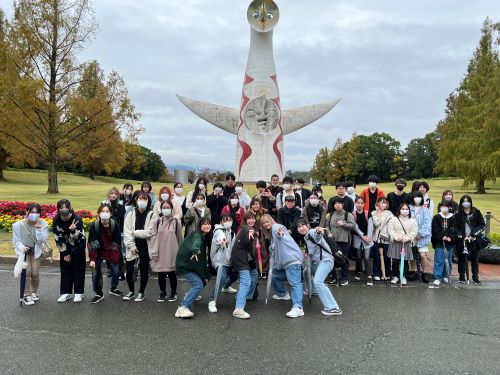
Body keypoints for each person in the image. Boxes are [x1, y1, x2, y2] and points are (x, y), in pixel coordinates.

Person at [260, 214, 304, 318]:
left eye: (267, 221)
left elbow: (280, 231)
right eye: (263, 223)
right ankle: (283, 294)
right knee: (274, 275)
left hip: (291, 259)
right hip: (284, 262)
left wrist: (280, 233)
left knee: (295, 283)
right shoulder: (272, 234)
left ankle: (298, 307)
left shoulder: (276, 228)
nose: (266, 224)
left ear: (271, 220)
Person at [298, 220, 343, 316]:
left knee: (318, 281)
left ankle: (333, 307)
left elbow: (317, 236)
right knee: (306, 271)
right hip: (319, 263)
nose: (301, 228)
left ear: (308, 226)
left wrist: (318, 231)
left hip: (326, 261)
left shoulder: (311, 232)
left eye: (303, 226)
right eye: (299, 227)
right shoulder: (306, 238)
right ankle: (313, 290)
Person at [12, 203, 49, 305]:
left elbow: (42, 240)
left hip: (36, 251)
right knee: (27, 273)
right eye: (32, 212)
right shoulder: (18, 225)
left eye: (37, 212)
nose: (35, 214)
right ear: (27, 212)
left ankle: (34, 292)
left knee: (35, 273)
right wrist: (22, 247)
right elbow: (16, 241)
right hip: (24, 252)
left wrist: (38, 230)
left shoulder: (43, 223)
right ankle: (27, 295)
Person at [175, 217, 212, 318]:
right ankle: (182, 307)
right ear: (200, 226)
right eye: (204, 224)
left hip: (190, 265)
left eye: (208, 223)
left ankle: (190, 297)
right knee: (198, 284)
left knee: (205, 279)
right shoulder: (197, 235)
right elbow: (196, 243)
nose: (207, 225)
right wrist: (195, 250)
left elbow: (202, 261)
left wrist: (205, 275)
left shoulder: (204, 238)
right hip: (185, 265)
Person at [87, 203, 124, 304]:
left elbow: (117, 241)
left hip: (112, 249)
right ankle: (98, 293)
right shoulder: (94, 225)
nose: (105, 213)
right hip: (98, 250)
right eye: (102, 211)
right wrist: (93, 259)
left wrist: (114, 255)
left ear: (111, 213)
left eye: (107, 211)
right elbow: (93, 242)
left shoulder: (114, 225)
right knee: (95, 272)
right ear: (98, 213)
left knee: (115, 270)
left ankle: (113, 288)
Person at [53, 199, 86, 303]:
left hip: (78, 246)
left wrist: (73, 231)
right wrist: (65, 253)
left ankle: (78, 293)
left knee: (78, 269)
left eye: (66, 207)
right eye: (61, 208)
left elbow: (79, 237)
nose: (64, 210)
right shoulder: (57, 220)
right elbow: (58, 237)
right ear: (58, 209)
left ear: (70, 207)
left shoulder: (77, 219)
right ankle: (66, 292)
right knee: (65, 269)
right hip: (65, 247)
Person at [149, 200, 183, 302]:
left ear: (172, 209)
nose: (166, 209)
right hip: (160, 251)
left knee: (172, 273)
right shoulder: (157, 221)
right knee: (161, 273)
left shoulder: (176, 222)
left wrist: (180, 253)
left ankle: (174, 292)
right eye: (164, 207)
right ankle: (162, 292)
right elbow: (153, 236)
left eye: (168, 207)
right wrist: (153, 250)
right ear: (161, 209)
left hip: (172, 251)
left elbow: (179, 238)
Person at [123, 192, 154, 302]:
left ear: (148, 201)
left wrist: (135, 233)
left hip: (145, 245)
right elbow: (127, 232)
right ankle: (131, 291)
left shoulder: (151, 214)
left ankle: (141, 292)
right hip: (132, 246)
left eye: (145, 199)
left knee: (144, 270)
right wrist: (131, 246)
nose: (142, 201)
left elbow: (150, 232)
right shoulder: (130, 214)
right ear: (136, 200)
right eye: (140, 198)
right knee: (130, 270)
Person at [208, 214, 238, 313]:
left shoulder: (232, 233)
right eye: (225, 220)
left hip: (230, 261)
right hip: (220, 261)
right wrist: (222, 240)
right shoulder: (219, 231)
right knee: (221, 278)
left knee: (235, 275)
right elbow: (219, 238)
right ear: (221, 222)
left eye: (230, 220)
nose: (228, 222)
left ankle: (226, 287)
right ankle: (212, 300)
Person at [455, 195, 486, 284]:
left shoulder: (476, 212)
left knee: (475, 259)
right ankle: (461, 277)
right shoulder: (458, 214)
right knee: (462, 259)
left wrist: (473, 235)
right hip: (462, 240)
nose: (466, 203)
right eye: (464, 201)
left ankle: (475, 277)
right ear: (461, 203)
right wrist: (462, 236)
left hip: (474, 239)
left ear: (470, 202)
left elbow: (482, 225)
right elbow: (455, 227)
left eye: (467, 201)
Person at [230, 225, 259, 319]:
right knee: (246, 281)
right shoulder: (244, 232)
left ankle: (245, 296)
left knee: (254, 274)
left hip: (246, 260)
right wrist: (250, 231)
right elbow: (246, 229)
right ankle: (238, 308)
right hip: (240, 259)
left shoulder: (251, 237)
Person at [326, 196, 356, 286]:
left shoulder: (348, 214)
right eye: (335, 204)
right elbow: (327, 226)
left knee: (344, 259)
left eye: (339, 203)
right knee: (332, 258)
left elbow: (353, 225)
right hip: (333, 240)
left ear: (342, 204)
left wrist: (344, 224)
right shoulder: (331, 215)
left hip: (344, 240)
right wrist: (328, 233)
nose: (337, 205)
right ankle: (333, 277)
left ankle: (344, 278)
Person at [387, 203, 418, 285]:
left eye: (406, 209)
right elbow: (390, 230)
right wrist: (396, 237)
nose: (404, 210)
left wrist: (407, 238)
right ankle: (395, 276)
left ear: (409, 210)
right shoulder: (394, 219)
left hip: (406, 243)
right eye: (403, 209)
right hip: (396, 242)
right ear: (399, 210)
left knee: (404, 261)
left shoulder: (412, 220)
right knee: (395, 260)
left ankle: (403, 277)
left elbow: (414, 232)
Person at [431, 201, 457, 286]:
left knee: (448, 260)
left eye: (446, 206)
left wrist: (450, 237)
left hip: (450, 243)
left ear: (450, 207)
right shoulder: (437, 217)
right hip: (439, 242)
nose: (444, 208)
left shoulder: (453, 218)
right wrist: (442, 236)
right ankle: (438, 277)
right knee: (439, 260)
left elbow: (454, 229)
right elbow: (435, 229)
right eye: (442, 206)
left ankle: (446, 275)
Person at [408, 191, 432, 283]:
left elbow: (427, 224)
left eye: (419, 196)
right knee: (412, 255)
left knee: (422, 254)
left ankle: (424, 272)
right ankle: (414, 271)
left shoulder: (425, 210)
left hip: (422, 237)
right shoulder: (409, 208)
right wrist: (412, 234)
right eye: (415, 196)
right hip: (411, 237)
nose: (417, 198)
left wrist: (420, 234)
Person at [352, 197, 374, 285]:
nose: (360, 205)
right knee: (358, 256)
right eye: (358, 203)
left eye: (362, 203)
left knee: (367, 257)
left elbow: (371, 226)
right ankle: (359, 272)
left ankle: (369, 276)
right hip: (357, 238)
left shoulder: (368, 213)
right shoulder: (352, 214)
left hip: (367, 239)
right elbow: (354, 227)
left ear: (364, 204)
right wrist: (362, 236)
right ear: (355, 203)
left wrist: (367, 237)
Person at [371, 197, 394, 281]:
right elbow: (376, 224)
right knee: (376, 256)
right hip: (376, 238)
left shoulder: (390, 213)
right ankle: (376, 273)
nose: (383, 204)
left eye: (385, 203)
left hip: (386, 238)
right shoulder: (374, 213)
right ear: (377, 203)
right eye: (381, 202)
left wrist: (385, 234)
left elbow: (391, 225)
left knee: (387, 257)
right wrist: (379, 214)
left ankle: (386, 273)